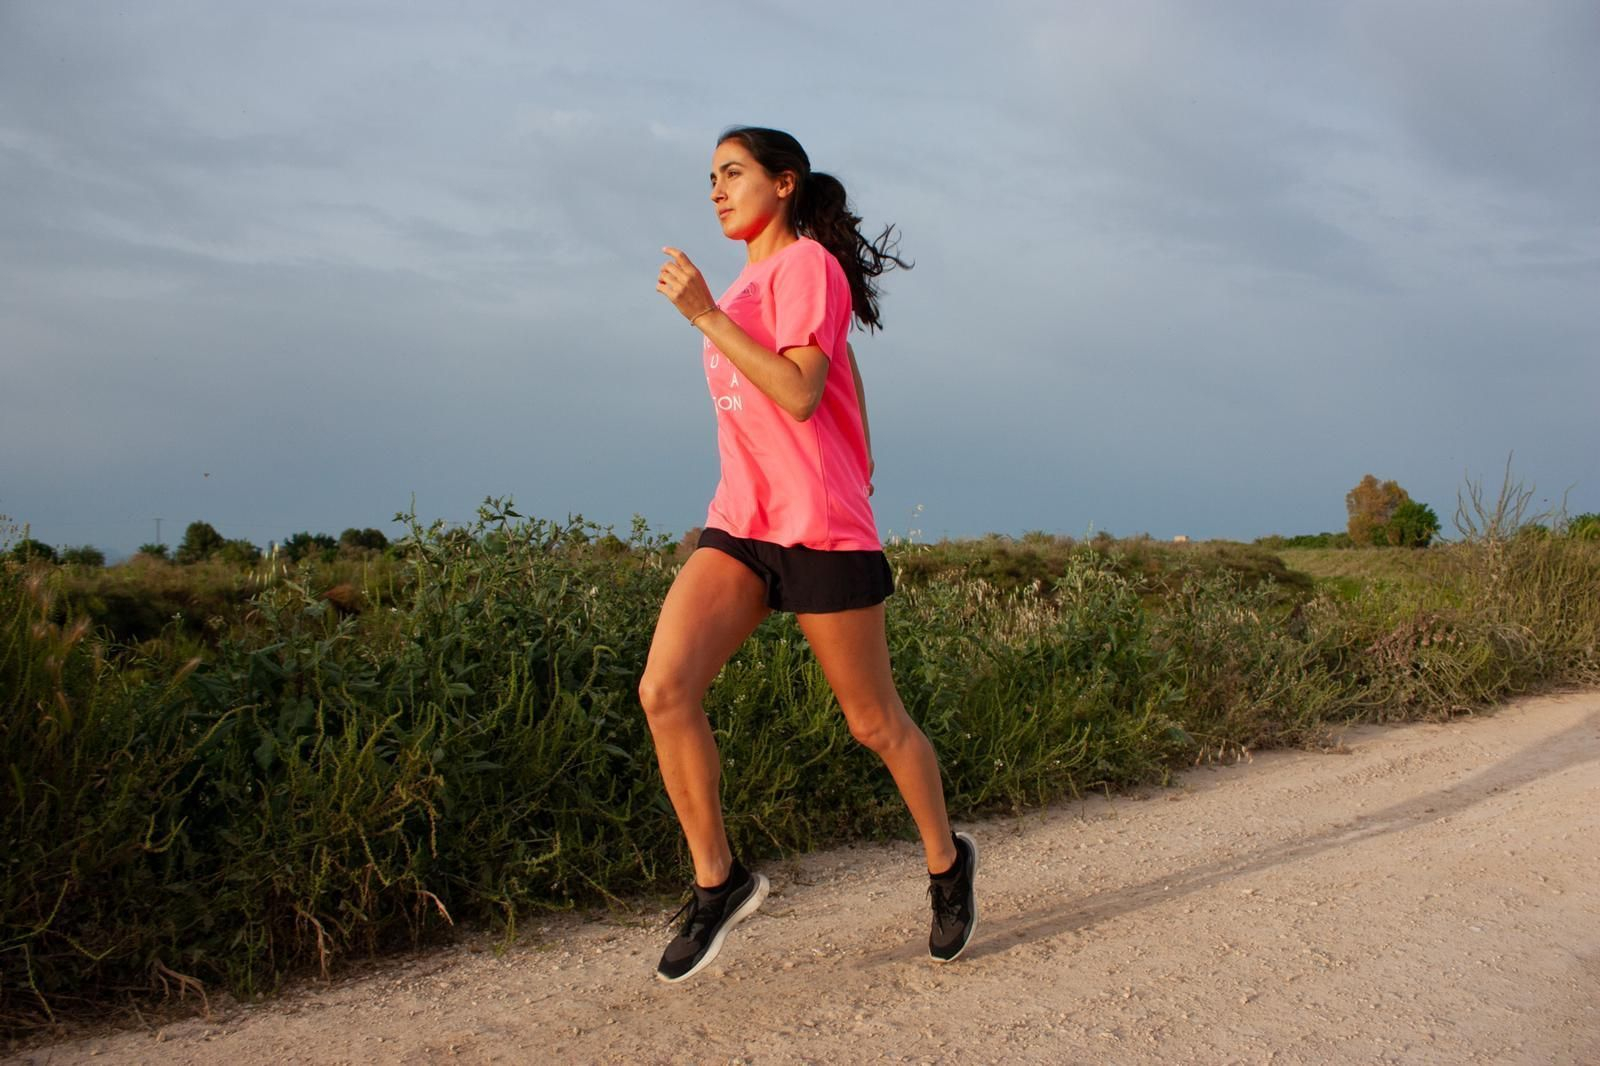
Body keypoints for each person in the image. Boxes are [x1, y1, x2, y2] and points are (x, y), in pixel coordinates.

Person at [645, 126, 976, 982]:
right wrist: (860, 447)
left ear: (784, 183)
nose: (717, 190)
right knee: (664, 690)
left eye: (733, 173)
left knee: (874, 723)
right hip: (741, 524)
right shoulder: (749, 283)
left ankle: (947, 863)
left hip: (820, 528)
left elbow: (798, 390)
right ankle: (718, 881)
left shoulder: (807, 267)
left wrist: (705, 315)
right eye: (710, 178)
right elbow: (839, 371)